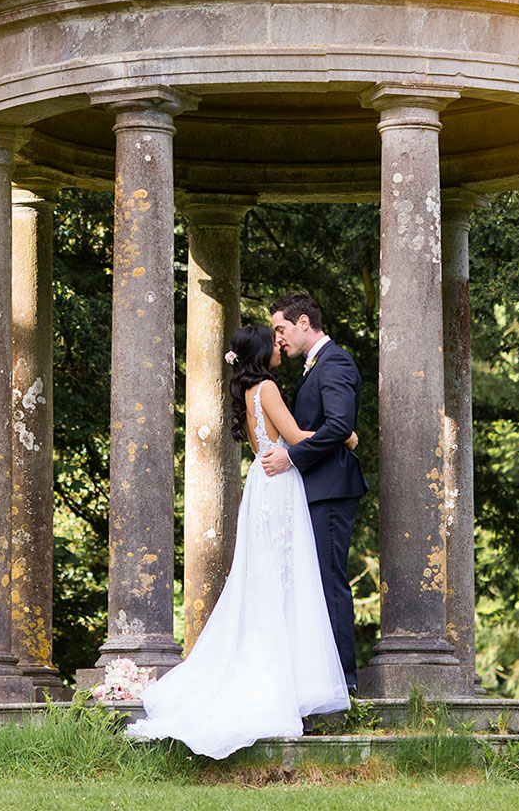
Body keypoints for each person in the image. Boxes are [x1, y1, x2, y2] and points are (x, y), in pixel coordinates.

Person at [126, 324, 355, 757]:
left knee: (266, 579)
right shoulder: (267, 387)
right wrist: (344, 433)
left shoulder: (249, 391)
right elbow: (295, 437)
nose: (277, 342)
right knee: (285, 579)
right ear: (261, 352)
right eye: (271, 338)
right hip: (280, 486)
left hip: (261, 484)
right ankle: (282, 680)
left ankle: (278, 672)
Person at [263, 294, 368, 692]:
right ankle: (320, 680)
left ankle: (344, 684)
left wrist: (291, 457)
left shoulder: (335, 361)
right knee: (314, 583)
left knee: (329, 582)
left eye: (282, 329)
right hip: (315, 489)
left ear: (304, 322)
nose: (279, 340)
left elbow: (341, 425)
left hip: (330, 489)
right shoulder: (313, 367)